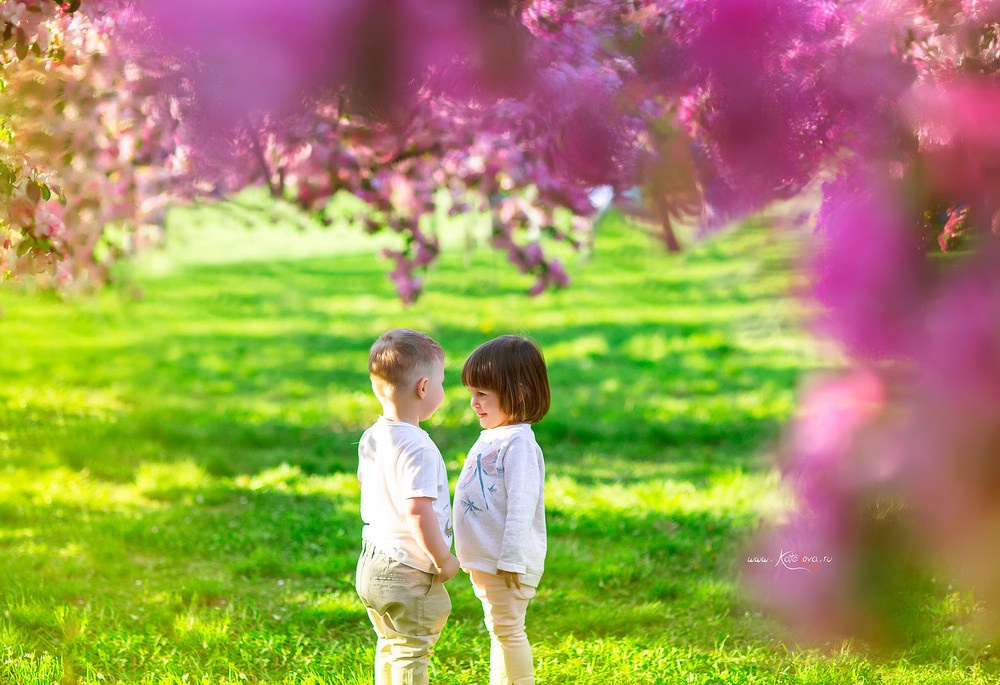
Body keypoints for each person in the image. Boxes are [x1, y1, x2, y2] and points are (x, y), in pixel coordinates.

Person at [355, 328, 460, 685]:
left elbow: (367, 485)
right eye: (442, 382)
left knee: (391, 644)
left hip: (372, 563)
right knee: (411, 651)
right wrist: (442, 559)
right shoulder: (418, 448)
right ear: (424, 388)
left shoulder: (372, 436)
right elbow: (418, 512)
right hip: (407, 569)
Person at [454, 335, 550, 685]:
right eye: (472, 393)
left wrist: (511, 559)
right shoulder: (494, 435)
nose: (473, 403)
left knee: (508, 630)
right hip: (487, 560)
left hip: (504, 563)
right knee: (499, 630)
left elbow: (521, 507)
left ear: (518, 393)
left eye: (482, 393)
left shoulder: (518, 442)